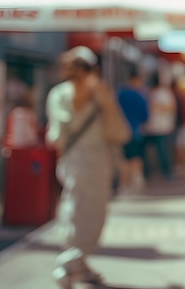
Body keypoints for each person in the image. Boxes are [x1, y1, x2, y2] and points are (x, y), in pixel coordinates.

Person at [45, 46, 125, 288]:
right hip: (77, 160)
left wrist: (104, 100)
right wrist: (81, 97)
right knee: (77, 208)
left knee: (92, 211)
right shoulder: (61, 94)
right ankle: (70, 261)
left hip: (99, 160)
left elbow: (117, 131)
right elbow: (59, 133)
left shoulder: (101, 94)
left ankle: (78, 264)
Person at [116, 64, 149, 193]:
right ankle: (136, 180)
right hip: (136, 132)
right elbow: (145, 117)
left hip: (121, 132)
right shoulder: (140, 96)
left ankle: (124, 185)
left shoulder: (120, 94)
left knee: (124, 159)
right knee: (135, 157)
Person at [143, 72, 176, 179]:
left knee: (163, 151)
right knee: (149, 151)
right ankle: (148, 173)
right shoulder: (150, 93)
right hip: (150, 128)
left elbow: (171, 108)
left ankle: (167, 172)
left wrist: (158, 107)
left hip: (162, 127)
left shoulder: (164, 93)